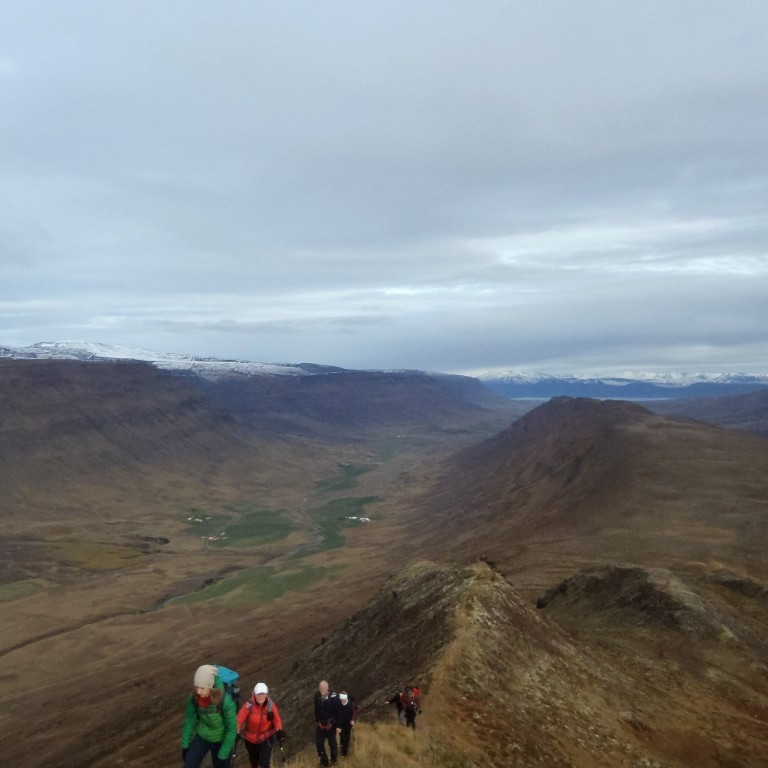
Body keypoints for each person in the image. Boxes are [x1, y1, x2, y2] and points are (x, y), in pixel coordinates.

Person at [181, 664, 238, 768]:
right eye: (196, 687)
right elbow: (190, 720)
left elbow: (232, 729)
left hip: (221, 740)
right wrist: (185, 745)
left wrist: (223, 754)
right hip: (202, 736)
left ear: (210, 686)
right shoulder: (194, 697)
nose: (198, 691)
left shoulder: (225, 701)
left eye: (202, 688)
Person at [236, 682, 285, 768]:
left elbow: (277, 719)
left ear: (267, 694)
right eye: (258, 694)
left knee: (265, 763)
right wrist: (236, 731)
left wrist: (279, 730)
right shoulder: (249, 705)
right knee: (254, 761)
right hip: (250, 738)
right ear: (254, 694)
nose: (260, 697)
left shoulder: (271, 705)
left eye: (263, 694)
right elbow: (239, 719)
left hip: (267, 736)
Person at [314, 679, 341, 766]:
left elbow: (338, 712)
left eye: (324, 687)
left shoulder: (334, 697)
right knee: (319, 744)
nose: (322, 689)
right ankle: (324, 762)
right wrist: (317, 720)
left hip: (331, 724)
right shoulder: (317, 696)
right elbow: (316, 709)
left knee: (332, 744)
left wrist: (338, 726)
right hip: (320, 725)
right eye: (321, 687)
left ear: (328, 688)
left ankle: (334, 761)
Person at [336, 692, 359, 757]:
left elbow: (354, 713)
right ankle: (344, 753)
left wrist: (353, 720)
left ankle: (346, 749)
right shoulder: (338, 705)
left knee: (347, 737)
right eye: (341, 699)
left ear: (346, 698)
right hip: (340, 724)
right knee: (342, 738)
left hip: (348, 724)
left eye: (343, 699)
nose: (342, 700)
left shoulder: (351, 704)